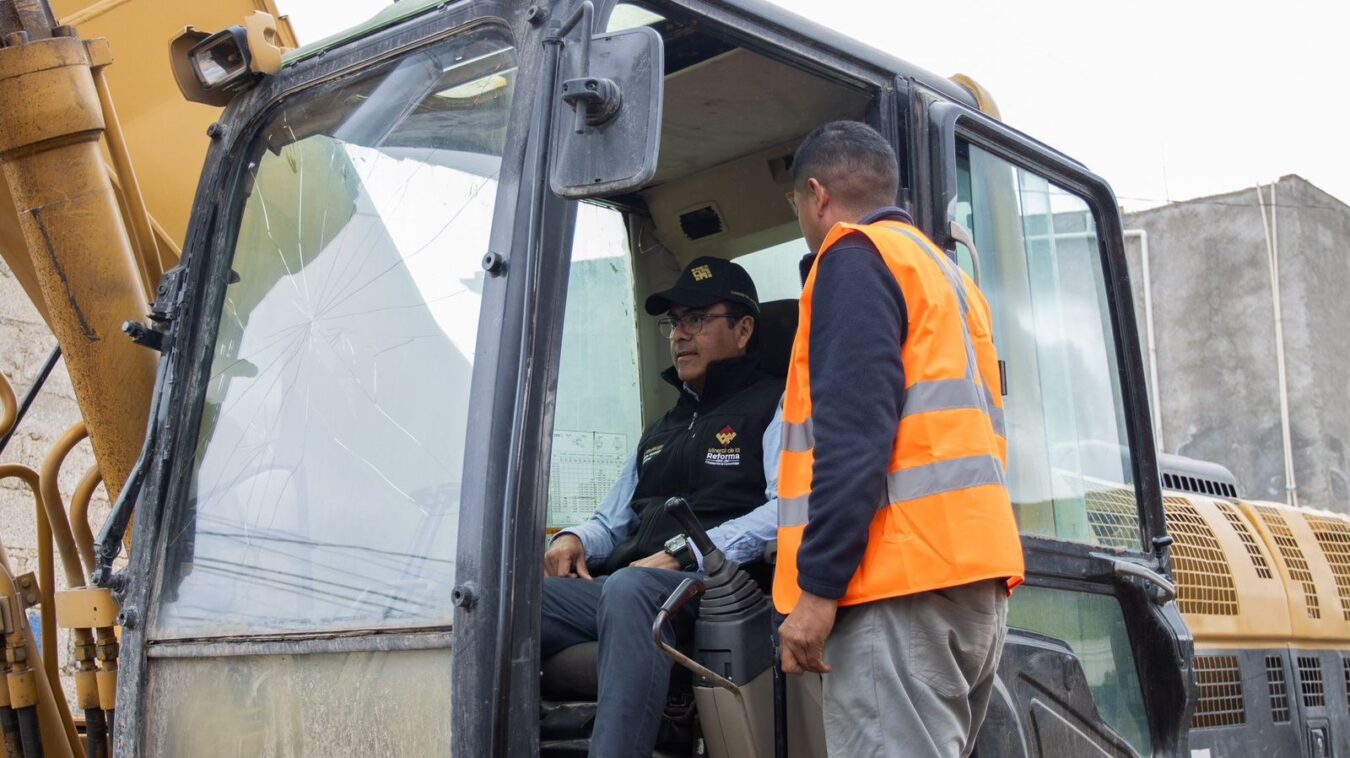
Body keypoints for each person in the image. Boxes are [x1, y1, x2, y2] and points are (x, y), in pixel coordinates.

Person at [774, 120, 1025, 757]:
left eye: (797, 206)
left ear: (817, 194)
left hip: (897, 583)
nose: (803, 219)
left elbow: (856, 439)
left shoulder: (854, 258)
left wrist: (818, 592)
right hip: (971, 580)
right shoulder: (947, 276)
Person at [541, 256, 783, 758]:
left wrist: (685, 551)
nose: (679, 335)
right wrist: (576, 538)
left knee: (631, 588)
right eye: (674, 323)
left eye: (696, 319)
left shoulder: (777, 405)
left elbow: (785, 510)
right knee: (511, 600)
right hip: (630, 585)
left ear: (742, 330)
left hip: (716, 589)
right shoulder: (662, 428)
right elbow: (614, 519)